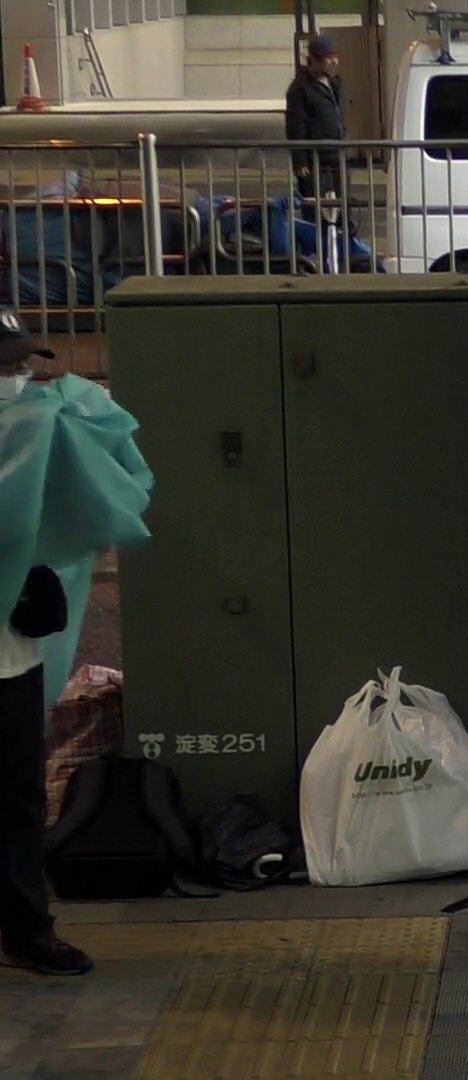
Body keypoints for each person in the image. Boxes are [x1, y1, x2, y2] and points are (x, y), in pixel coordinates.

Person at [0, 321, 91, 977]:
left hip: (13, 654)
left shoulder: (28, 443)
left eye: (21, 366)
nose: (18, 379)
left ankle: (28, 929)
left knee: (19, 795)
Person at [285, 34, 346, 234]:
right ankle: (317, 257)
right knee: (316, 215)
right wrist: (301, 164)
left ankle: (341, 255)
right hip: (315, 162)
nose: (335, 62)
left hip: (336, 158)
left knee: (342, 212)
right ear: (315, 60)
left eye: (335, 56)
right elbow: (296, 127)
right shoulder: (300, 89)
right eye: (329, 58)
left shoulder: (334, 84)